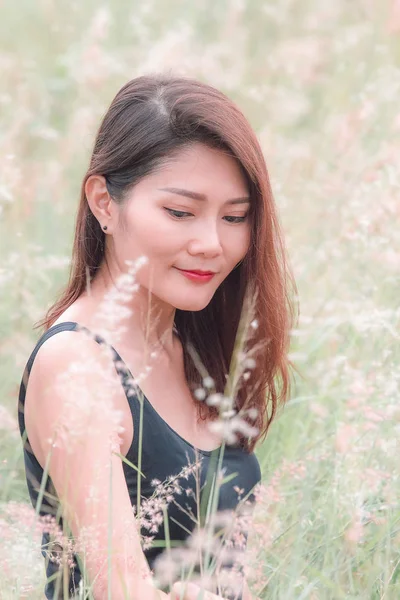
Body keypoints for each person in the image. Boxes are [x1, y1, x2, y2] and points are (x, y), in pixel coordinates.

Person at [17, 73, 297, 599]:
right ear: (104, 201)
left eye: (235, 217)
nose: (212, 243)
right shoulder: (78, 366)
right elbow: (120, 589)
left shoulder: (195, 345)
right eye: (180, 212)